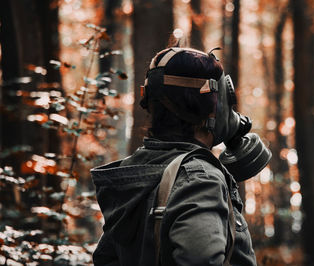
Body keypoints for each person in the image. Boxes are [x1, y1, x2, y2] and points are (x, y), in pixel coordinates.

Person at [91, 47, 269, 265]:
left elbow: (105, 259)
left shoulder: (133, 174)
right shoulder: (201, 180)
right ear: (210, 107)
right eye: (225, 100)